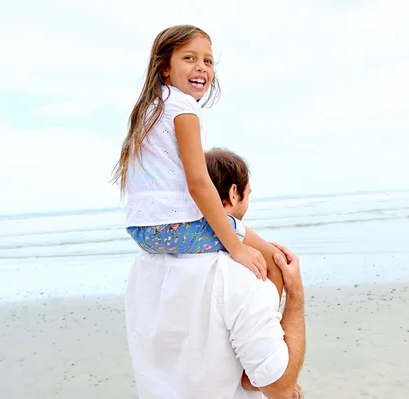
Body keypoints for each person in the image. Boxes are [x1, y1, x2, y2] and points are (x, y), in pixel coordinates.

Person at [111, 24, 284, 297]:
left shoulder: (151, 108)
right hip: (174, 226)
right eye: (189, 58)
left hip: (142, 230)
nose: (201, 67)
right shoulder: (183, 107)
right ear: (164, 68)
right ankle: (268, 334)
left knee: (250, 242)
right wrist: (237, 246)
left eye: (208, 61)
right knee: (275, 261)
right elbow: (199, 183)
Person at [124, 148, 306, 398]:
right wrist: (295, 293)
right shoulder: (238, 277)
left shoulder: (143, 266)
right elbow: (280, 388)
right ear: (233, 193)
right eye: (248, 194)